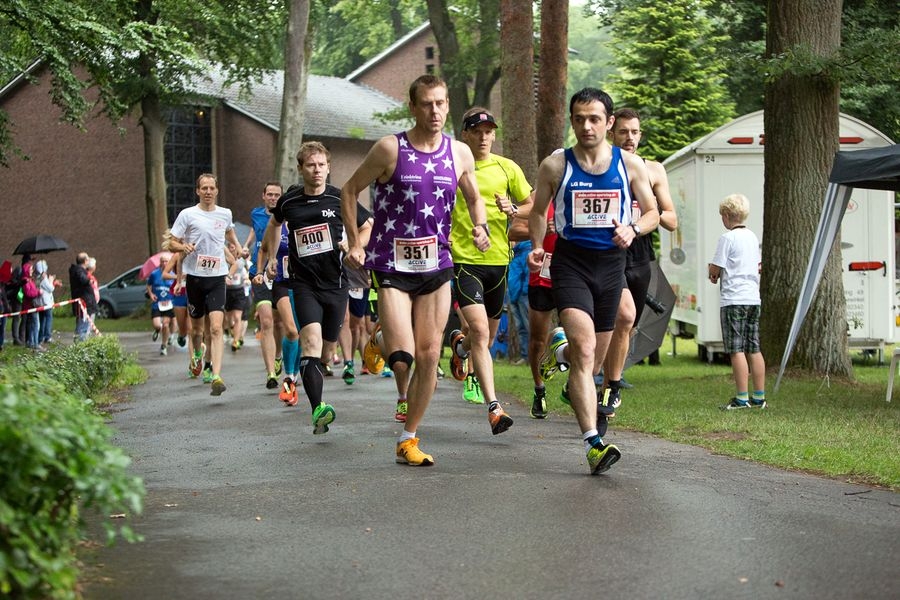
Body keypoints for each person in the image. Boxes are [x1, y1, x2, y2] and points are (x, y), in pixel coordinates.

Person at [342, 74, 490, 466]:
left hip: (437, 263)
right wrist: (355, 242)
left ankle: (408, 438)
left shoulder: (459, 153)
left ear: (448, 105)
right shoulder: (390, 148)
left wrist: (480, 226)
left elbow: (474, 197)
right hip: (392, 265)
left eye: (441, 103)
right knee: (403, 354)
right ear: (413, 106)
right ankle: (381, 340)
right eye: (427, 103)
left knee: (429, 356)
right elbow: (349, 190)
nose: (435, 111)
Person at [528, 88, 658, 475]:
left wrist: (633, 228)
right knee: (585, 352)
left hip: (612, 266)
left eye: (595, 119)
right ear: (572, 121)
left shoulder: (629, 165)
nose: (587, 126)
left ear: (609, 122)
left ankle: (560, 354)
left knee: (592, 360)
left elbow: (652, 212)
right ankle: (593, 444)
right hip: (571, 264)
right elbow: (537, 211)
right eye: (580, 119)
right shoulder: (555, 166)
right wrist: (537, 246)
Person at [264, 141, 373, 435]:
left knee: (326, 352)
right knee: (309, 343)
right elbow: (274, 225)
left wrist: (354, 245)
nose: (317, 170)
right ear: (301, 168)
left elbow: (368, 225)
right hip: (304, 284)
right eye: (311, 165)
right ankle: (318, 409)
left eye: (321, 165)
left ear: (328, 167)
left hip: (336, 284)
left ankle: (322, 368)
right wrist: (272, 258)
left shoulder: (340, 198)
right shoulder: (289, 201)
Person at [446, 106, 533, 434]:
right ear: (465, 135)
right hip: (464, 260)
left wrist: (514, 208)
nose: (483, 137)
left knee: (485, 337)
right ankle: (494, 407)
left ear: (494, 135)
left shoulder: (507, 167)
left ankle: (460, 348)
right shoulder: (452, 167)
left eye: (488, 132)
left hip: (499, 261)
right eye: (477, 132)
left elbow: (533, 205)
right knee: (481, 333)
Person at [599, 108, 679, 402]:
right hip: (609, 250)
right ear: (612, 134)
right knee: (615, 317)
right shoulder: (601, 165)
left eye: (634, 132)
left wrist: (649, 209)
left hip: (641, 254)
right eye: (623, 132)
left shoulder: (653, 169)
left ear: (640, 135)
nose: (629, 138)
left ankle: (609, 381)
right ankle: (601, 379)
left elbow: (671, 219)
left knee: (629, 325)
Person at [167, 173, 242, 396]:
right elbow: (171, 243)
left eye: (211, 188)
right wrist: (182, 247)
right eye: (204, 188)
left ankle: (216, 375)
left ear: (217, 191)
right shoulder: (187, 214)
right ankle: (198, 355)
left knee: (217, 328)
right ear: (198, 191)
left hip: (217, 277)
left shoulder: (225, 213)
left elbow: (229, 232)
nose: (208, 191)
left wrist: (237, 245)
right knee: (197, 330)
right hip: (195, 278)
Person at [708, 193, 766, 410]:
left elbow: (716, 267)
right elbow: (757, 265)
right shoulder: (752, 237)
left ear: (726, 215)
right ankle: (759, 397)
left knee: (736, 349)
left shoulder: (727, 238)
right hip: (753, 298)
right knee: (754, 347)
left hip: (733, 299)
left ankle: (742, 398)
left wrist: (712, 272)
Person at [244, 182, 285, 389]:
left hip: (280, 273)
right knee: (267, 321)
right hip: (258, 273)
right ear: (263, 196)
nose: (273, 198)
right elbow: (256, 231)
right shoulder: (256, 214)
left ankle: (278, 356)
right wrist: (246, 246)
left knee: (280, 323)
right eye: (270, 194)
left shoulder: (286, 216)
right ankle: (270, 373)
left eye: (277, 195)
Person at [146, 253, 175, 356]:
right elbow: (148, 285)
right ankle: (158, 330)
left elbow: (177, 287)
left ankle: (163, 346)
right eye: (162, 261)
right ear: (160, 263)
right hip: (157, 303)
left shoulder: (172, 274)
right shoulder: (154, 274)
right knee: (157, 325)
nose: (164, 263)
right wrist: (151, 294)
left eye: (166, 261)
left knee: (166, 324)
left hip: (169, 304)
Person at [69, 252, 97, 342]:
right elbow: (83, 279)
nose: (89, 261)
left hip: (86, 302)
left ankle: (82, 344)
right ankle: (80, 345)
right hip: (84, 304)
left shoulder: (79, 270)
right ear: (85, 261)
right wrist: (89, 281)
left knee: (85, 327)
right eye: (88, 259)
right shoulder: (79, 271)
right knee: (82, 327)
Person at [35, 259, 60, 346]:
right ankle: (47, 336)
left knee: (42, 320)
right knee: (48, 318)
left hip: (41, 302)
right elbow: (50, 288)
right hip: (46, 302)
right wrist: (51, 280)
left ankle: (41, 336)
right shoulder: (43, 278)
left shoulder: (37, 278)